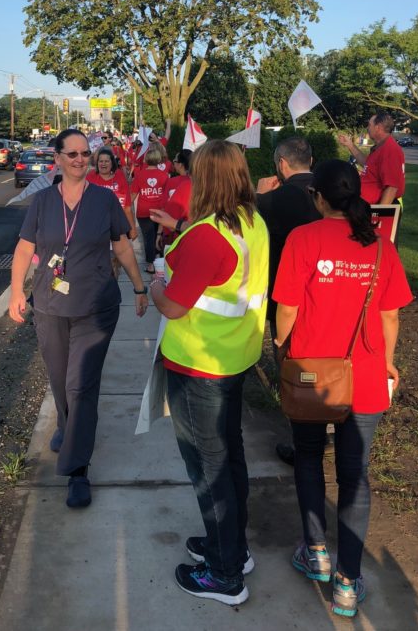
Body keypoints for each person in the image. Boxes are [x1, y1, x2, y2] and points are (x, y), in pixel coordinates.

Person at [273, 159, 412, 618]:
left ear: (318, 197)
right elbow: (391, 315)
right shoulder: (380, 245)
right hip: (366, 376)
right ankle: (348, 583)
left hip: (312, 374)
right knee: (355, 474)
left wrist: (280, 344)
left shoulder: (303, 239)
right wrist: (388, 360)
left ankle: (316, 552)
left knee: (308, 456)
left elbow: (287, 308)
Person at [149, 140, 269, 606]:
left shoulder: (207, 236)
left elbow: (174, 305)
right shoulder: (251, 222)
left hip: (200, 366)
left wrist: (157, 285)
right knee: (229, 458)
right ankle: (232, 548)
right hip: (233, 358)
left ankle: (224, 574)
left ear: (206, 180)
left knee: (208, 469)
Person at [9, 129, 149, 509]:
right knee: (59, 380)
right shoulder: (42, 201)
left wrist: (139, 287)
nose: (80, 160)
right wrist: (17, 291)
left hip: (95, 308)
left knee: (80, 385)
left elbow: (122, 245)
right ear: (57, 158)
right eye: (71, 154)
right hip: (50, 306)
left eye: (85, 153)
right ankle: (66, 424)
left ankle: (77, 470)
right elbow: (23, 248)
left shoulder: (104, 199)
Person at [255, 137, 322, 465]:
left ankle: (302, 436)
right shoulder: (330, 192)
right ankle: (330, 417)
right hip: (331, 290)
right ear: (311, 160)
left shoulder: (273, 200)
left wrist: (258, 195)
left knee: (289, 361)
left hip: (286, 294)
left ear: (281, 164)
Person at [338, 112, 405, 205]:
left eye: (369, 125)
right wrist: (350, 145)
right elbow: (367, 164)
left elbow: (392, 188)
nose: (367, 128)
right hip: (362, 203)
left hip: (370, 208)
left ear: (378, 127)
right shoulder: (380, 147)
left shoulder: (390, 149)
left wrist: (380, 213)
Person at [130, 143, 169, 273]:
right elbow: (167, 195)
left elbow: (132, 196)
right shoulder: (164, 175)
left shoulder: (140, 175)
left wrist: (126, 210)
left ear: (146, 159)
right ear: (159, 159)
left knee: (148, 238)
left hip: (143, 211)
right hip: (160, 210)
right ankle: (160, 261)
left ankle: (151, 264)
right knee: (159, 236)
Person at [154, 148, 192, 250]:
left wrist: (159, 233)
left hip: (173, 233)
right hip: (192, 231)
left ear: (180, 165)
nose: (173, 163)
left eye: (174, 161)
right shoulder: (199, 182)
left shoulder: (172, 182)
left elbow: (164, 209)